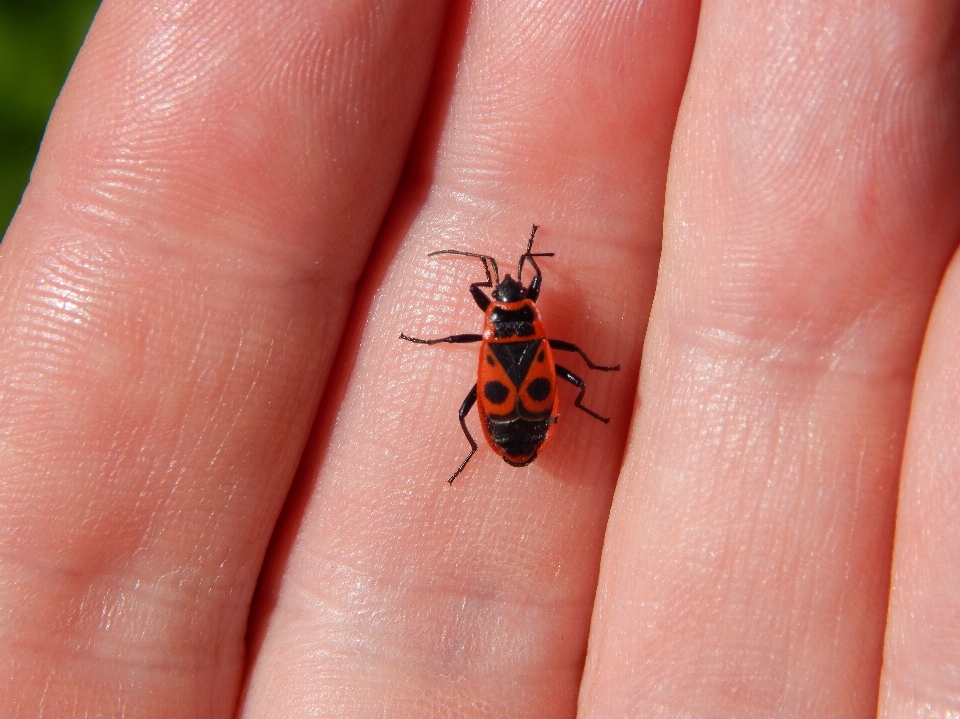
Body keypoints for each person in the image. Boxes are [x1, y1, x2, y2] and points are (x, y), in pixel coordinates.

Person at [1, 0, 957, 716]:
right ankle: (536, 424)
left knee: (523, 397)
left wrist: (537, 364)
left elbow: (542, 338)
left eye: (510, 295)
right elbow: (554, 343)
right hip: (523, 424)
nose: (509, 301)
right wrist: (566, 381)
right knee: (548, 388)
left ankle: (519, 431)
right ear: (510, 315)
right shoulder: (529, 340)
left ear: (505, 312)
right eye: (507, 297)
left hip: (514, 427)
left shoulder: (519, 337)